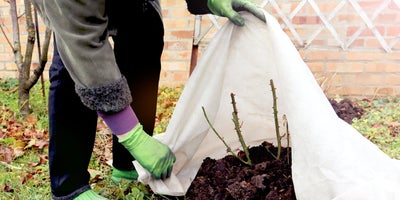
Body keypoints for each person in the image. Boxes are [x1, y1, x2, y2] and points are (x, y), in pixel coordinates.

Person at [32, 0, 266, 199]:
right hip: (73, 10)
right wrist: (133, 137)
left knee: (146, 29)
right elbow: (82, 41)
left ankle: (127, 165)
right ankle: (70, 185)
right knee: (73, 62)